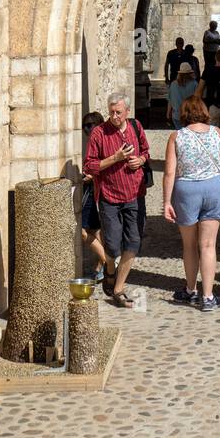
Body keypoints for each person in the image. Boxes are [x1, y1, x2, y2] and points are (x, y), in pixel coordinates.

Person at [163, 95, 220, 311]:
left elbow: (170, 172)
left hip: (187, 191)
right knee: (208, 245)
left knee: (189, 246)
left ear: (184, 113)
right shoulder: (217, 133)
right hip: (214, 189)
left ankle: (191, 290)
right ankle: (208, 297)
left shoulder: (176, 136)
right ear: (203, 111)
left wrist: (166, 202)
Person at [84, 93, 151, 308]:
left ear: (127, 112)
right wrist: (116, 158)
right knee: (112, 246)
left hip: (134, 195)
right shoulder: (99, 133)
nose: (114, 116)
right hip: (109, 196)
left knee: (133, 242)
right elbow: (90, 166)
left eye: (118, 112)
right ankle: (110, 270)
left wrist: (140, 160)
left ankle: (118, 289)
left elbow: (146, 152)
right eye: (111, 112)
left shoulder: (135, 127)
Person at [81, 111, 108, 282]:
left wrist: (90, 176)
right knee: (96, 230)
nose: (89, 129)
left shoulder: (103, 140)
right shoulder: (91, 141)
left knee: (81, 231)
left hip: (95, 191)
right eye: (86, 126)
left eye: (92, 125)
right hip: (90, 191)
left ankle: (107, 261)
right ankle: (102, 266)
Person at [198, 47, 220, 136]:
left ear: (215, 58)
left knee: (211, 134)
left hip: (211, 106)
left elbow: (199, 90)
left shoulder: (208, 71)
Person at [167, 62, 199, 129]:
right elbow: (197, 100)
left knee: (180, 134)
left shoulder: (173, 84)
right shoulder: (194, 84)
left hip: (176, 115)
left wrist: (168, 113)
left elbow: (170, 101)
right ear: (190, 73)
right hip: (190, 115)